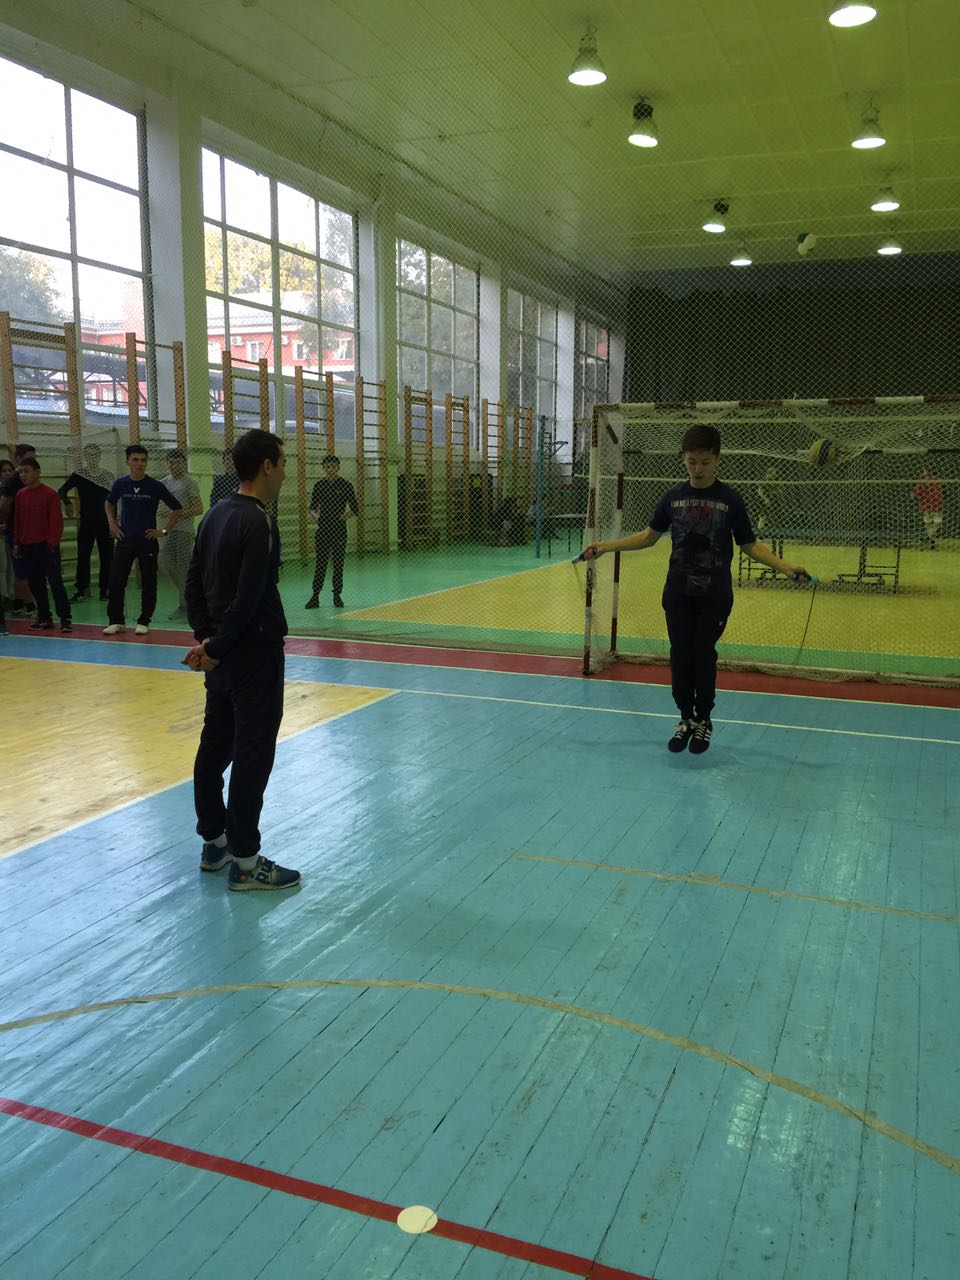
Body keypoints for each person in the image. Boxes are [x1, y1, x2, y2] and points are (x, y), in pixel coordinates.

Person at [583, 424, 811, 755]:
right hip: (677, 594)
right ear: (683, 459)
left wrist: (786, 566)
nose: (698, 469)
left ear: (717, 459)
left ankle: (704, 720)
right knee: (680, 656)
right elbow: (648, 537)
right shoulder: (672, 498)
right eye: (692, 461)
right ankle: (685, 718)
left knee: (703, 654)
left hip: (714, 597)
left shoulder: (730, 500)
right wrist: (605, 546)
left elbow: (749, 545)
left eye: (705, 462)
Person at [183, 429, 299, 892]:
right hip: (253, 655)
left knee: (214, 748)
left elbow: (193, 583)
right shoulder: (259, 521)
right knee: (252, 755)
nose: (285, 472)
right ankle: (247, 862)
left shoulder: (214, 514)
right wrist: (215, 646)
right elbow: (249, 599)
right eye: (283, 463)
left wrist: (207, 640)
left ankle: (215, 843)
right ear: (267, 466)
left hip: (223, 657)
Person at [104, 444, 185, 636]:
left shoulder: (155, 486)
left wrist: (163, 530)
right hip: (124, 540)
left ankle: (144, 621)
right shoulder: (121, 484)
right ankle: (116, 621)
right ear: (127, 461)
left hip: (147, 541)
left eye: (143, 460)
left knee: (149, 582)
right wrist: (112, 523)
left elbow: (177, 508)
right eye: (135, 460)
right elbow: (109, 502)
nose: (140, 464)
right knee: (116, 581)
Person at [12, 458, 72, 633]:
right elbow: (18, 521)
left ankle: (65, 618)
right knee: (35, 584)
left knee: (55, 583)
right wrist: (17, 543)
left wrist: (52, 544)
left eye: (26, 471)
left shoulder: (50, 494)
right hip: (27, 547)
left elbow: (56, 522)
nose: (23, 475)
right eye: (20, 472)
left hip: (46, 546)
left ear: (37, 472)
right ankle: (44, 617)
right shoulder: (20, 495)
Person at [58, 442, 115, 602]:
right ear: (85, 456)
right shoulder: (80, 474)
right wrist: (67, 503)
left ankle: (105, 590)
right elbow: (62, 490)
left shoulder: (107, 476)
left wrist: (115, 521)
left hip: (105, 522)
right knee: (83, 556)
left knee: (107, 557)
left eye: (94, 455)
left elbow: (114, 499)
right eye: (89, 455)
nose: (92, 458)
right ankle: (81, 590)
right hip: (87, 522)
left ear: (99, 456)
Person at [304, 454, 358, 609]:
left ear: (338, 468)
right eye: (327, 467)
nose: (330, 469)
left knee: (338, 564)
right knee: (320, 564)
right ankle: (315, 596)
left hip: (339, 530)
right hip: (323, 530)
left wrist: (343, 516)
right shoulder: (319, 486)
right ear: (323, 468)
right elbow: (312, 508)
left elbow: (355, 509)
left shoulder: (346, 485)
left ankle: (337, 595)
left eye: (333, 466)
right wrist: (316, 517)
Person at [157, 447, 203, 618]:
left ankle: (186, 606)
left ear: (184, 464)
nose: (175, 465)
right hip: (168, 529)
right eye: (171, 462)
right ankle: (188, 598)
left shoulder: (189, 483)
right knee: (167, 562)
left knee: (183, 567)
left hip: (183, 530)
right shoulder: (163, 483)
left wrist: (177, 513)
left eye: (178, 462)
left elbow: (198, 508)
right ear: (167, 464)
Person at [0, 444, 38, 618]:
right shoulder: (14, 481)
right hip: (15, 532)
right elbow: (4, 506)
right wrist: (7, 523)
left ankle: (17, 604)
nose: (32, 461)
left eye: (34, 458)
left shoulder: (28, 481)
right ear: (18, 458)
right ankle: (30, 606)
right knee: (20, 571)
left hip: (27, 531)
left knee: (23, 570)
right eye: (29, 458)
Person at [912, 469, 943, 550]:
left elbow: (915, 493)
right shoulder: (937, 480)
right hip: (934, 505)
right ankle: (932, 542)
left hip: (929, 505)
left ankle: (930, 538)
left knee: (930, 524)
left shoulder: (922, 481)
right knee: (935, 523)